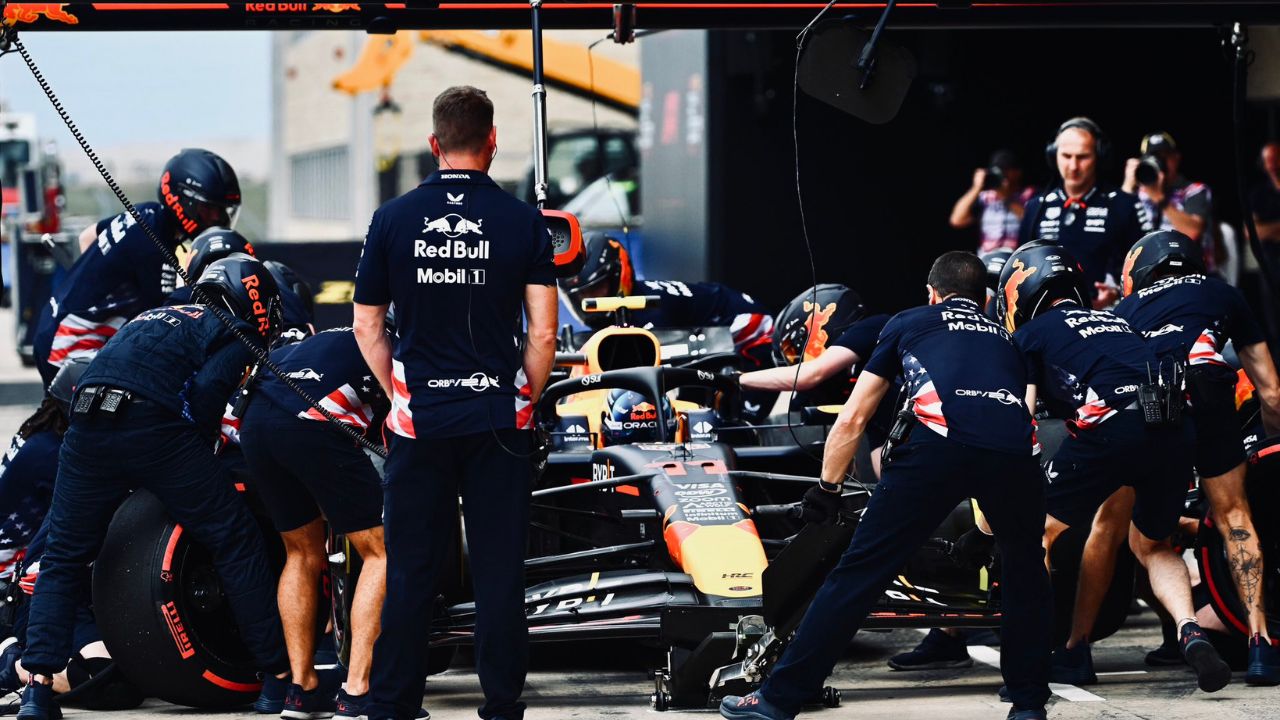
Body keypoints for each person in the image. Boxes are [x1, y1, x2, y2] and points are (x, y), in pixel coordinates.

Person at [720, 252, 1052, 720]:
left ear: (932, 293)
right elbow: (1023, 411)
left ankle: (777, 701)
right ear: (985, 300)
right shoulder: (1011, 340)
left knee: (859, 573)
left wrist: (827, 489)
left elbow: (854, 416)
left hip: (935, 447)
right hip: (1013, 452)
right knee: (1025, 572)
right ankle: (1029, 704)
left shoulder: (908, 321)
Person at [352, 85, 558, 720]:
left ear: (434, 144)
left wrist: (399, 396)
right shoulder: (525, 221)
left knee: (411, 571)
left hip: (422, 424)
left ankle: (393, 703)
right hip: (499, 420)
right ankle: (500, 706)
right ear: (492, 142)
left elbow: (366, 327)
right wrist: (523, 394)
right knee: (499, 574)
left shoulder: (390, 220)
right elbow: (545, 333)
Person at [15, 256, 289, 720]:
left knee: (63, 556)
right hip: (149, 424)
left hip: (85, 422)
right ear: (255, 300)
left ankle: (37, 691)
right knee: (234, 538)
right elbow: (206, 394)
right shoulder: (234, 326)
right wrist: (203, 462)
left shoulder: (152, 314)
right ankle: (277, 681)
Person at [995, 242, 1230, 693]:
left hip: (1113, 425)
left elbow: (1020, 419)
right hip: (1172, 423)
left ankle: (1032, 660)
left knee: (1037, 535)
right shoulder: (1118, 321)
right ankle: (1190, 632)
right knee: (1154, 545)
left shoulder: (1032, 333)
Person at [1114, 229, 1280, 683]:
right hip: (1210, 389)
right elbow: (1271, 392)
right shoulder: (1223, 293)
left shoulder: (1122, 310)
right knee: (1236, 517)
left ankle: (1186, 632)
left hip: (1151, 404)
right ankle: (1261, 643)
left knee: (1146, 541)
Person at [238, 325, 390, 719]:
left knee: (301, 552)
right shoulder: (395, 344)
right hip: (310, 420)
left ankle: (300, 689)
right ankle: (357, 693)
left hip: (255, 422)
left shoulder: (323, 339)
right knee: (380, 553)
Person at [31, 149, 241, 385]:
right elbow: (162, 321)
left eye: (222, 212)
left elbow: (87, 237)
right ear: (183, 200)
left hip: (55, 324)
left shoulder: (145, 214)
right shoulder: (154, 244)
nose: (217, 219)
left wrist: (95, 283)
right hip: (71, 344)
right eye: (210, 210)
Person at [1018, 118, 1154, 307]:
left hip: (1108, 317)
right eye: (1066, 156)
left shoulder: (1124, 204)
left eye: (1082, 157)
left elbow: (1147, 269)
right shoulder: (1036, 207)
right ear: (1053, 155)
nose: (1073, 166)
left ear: (1099, 156)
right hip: (1049, 318)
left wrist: (1116, 293)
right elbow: (1019, 270)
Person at [1122, 133, 1218, 275]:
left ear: (1176, 158)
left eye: (1165, 156)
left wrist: (1160, 199)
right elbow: (1113, 232)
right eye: (1154, 157)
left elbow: (1192, 232)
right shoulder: (1136, 194)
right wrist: (1127, 187)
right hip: (1146, 276)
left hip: (1192, 274)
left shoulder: (1195, 190)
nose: (1160, 162)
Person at [950, 150, 1035, 253]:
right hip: (987, 258)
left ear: (1018, 172)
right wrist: (976, 188)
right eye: (998, 171)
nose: (1003, 175)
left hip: (1018, 258)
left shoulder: (1029, 194)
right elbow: (957, 220)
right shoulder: (984, 197)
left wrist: (1005, 197)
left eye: (1006, 170)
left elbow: (1031, 220)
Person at [1248, 141, 1280, 352]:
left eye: (1276, 159)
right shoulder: (1258, 194)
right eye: (1268, 160)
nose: (1272, 165)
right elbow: (1253, 232)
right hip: (1271, 265)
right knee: (1275, 323)